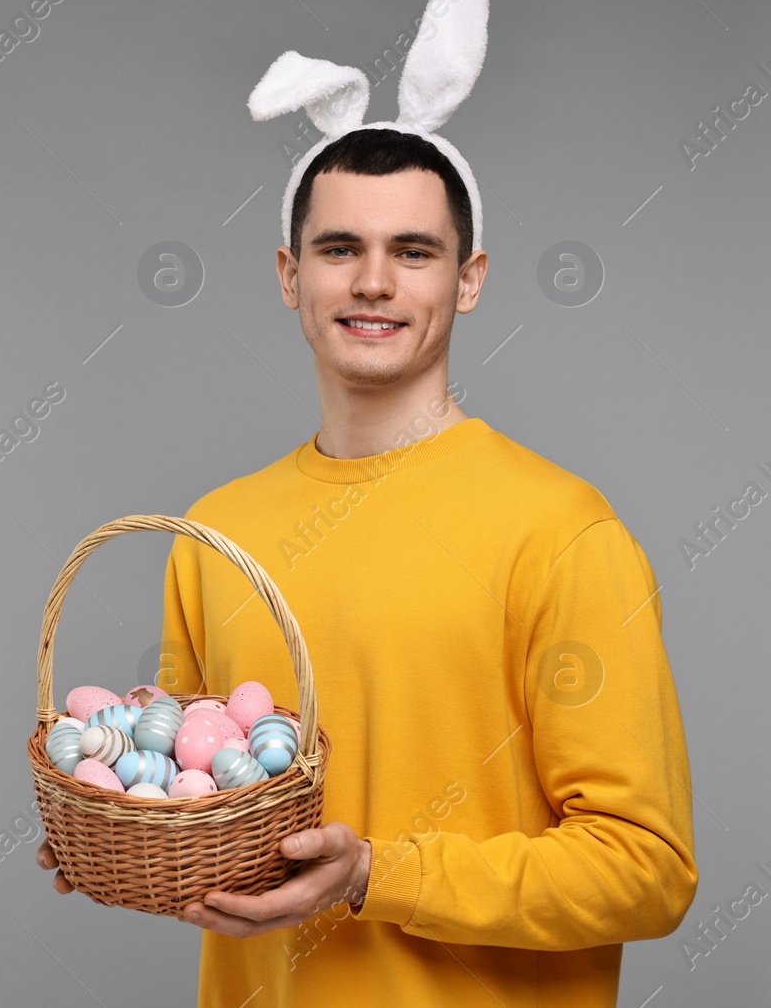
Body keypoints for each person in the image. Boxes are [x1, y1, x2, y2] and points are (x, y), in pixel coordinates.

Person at [36, 124, 698, 1005]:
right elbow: (200, 786)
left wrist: (373, 874)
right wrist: (122, 817)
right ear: (289, 275)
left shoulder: (562, 532)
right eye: (339, 248)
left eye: (414, 251)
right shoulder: (217, 532)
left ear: (469, 280)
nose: (373, 281)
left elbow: (646, 869)